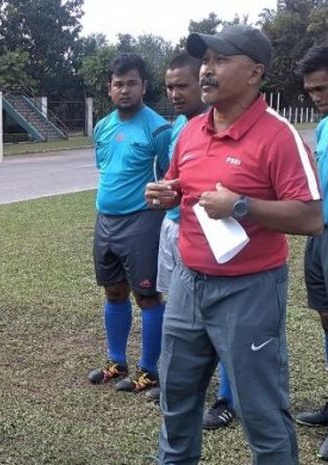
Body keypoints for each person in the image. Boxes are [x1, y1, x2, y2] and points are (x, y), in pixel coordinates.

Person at [146, 25, 322, 464]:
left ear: (255, 72)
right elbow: (180, 184)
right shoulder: (188, 132)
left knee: (261, 412)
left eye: (221, 60)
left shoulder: (278, 136)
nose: (206, 70)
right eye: (205, 60)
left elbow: (311, 217)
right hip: (188, 284)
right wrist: (167, 192)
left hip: (250, 291)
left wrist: (242, 205)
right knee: (177, 401)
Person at [146, 53, 236, 429]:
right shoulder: (180, 126)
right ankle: (175, 379)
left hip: (211, 233)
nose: (176, 93)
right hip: (173, 226)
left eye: (183, 85)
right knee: (178, 310)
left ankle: (227, 399)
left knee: (222, 320)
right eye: (169, 87)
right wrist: (166, 192)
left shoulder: (216, 126)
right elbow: (179, 179)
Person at [88, 53, 171, 393]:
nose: (125, 89)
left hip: (142, 222)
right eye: (118, 83)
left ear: (144, 87)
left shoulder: (158, 129)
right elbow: (105, 170)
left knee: (147, 296)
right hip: (105, 221)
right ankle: (116, 361)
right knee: (113, 291)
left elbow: (168, 178)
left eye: (131, 83)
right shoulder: (103, 127)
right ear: (109, 88)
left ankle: (150, 370)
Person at [293, 44, 328, 459]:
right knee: (325, 319)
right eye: (312, 91)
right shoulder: (322, 128)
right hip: (319, 234)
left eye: (323, 88)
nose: (317, 97)